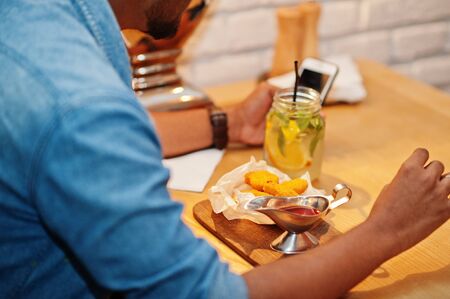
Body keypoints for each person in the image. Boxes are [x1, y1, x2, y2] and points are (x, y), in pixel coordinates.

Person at [0, 1, 448, 299]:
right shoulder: (81, 106)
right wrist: (386, 232)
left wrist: (226, 123)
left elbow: (80, 143)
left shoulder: (40, 25)